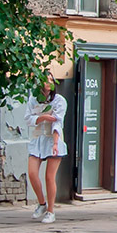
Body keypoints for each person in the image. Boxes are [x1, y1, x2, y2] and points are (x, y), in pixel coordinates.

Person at [25, 75, 68, 224]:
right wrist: (42, 117)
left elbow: (58, 122)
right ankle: (41, 203)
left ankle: (51, 211)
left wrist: (56, 143)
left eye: (51, 80)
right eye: (45, 80)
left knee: (50, 177)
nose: (49, 83)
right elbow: (28, 119)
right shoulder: (33, 99)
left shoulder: (59, 100)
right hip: (38, 139)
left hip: (52, 138)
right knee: (32, 172)